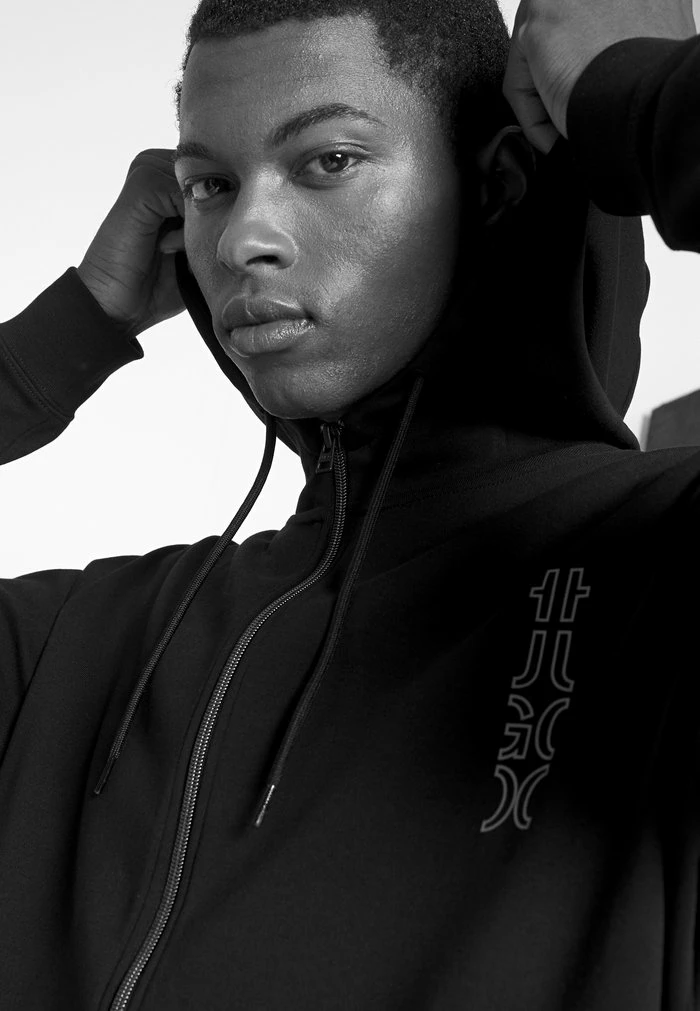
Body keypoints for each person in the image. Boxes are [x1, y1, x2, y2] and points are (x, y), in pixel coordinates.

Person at [0, 0, 698, 1006]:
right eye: (210, 185)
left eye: (327, 160)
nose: (243, 238)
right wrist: (62, 334)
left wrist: (648, 96)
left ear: (497, 186)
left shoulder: (664, 565)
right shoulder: (77, 648)